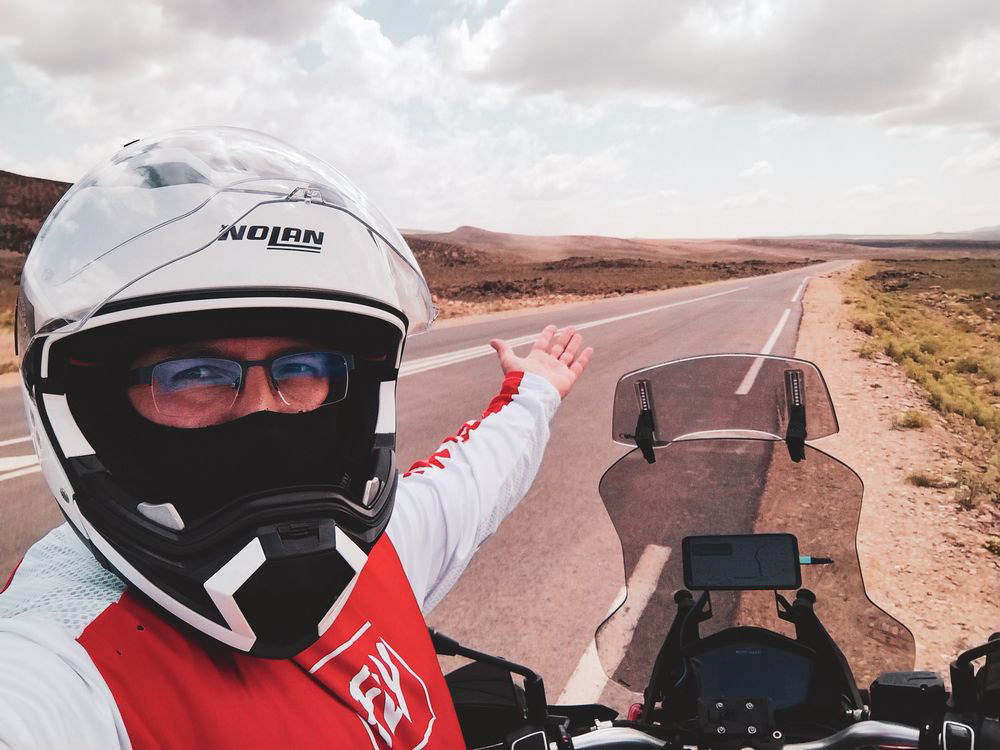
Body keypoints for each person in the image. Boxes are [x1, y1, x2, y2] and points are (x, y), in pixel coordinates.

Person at [0, 127, 592, 748]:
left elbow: (473, 479)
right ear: (96, 411)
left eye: (301, 367)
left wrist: (536, 390)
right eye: (195, 374)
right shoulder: (63, 663)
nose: (263, 412)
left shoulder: (373, 553)